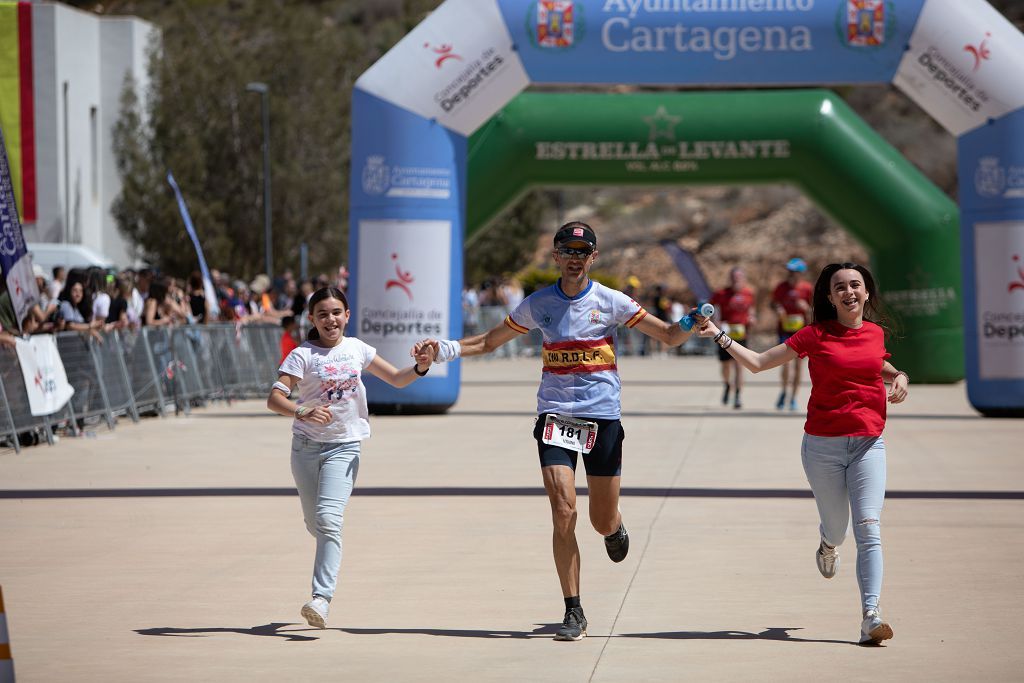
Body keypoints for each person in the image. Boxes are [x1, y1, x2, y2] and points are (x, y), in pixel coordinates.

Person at [414, 221, 702, 642]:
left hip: (602, 417)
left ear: (593, 258)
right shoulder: (538, 304)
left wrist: (692, 322)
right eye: (566, 251)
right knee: (564, 511)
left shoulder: (612, 301)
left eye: (582, 252)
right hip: (556, 417)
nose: (574, 258)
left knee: (600, 520)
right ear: (555, 256)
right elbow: (490, 342)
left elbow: (669, 337)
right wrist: (443, 350)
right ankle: (574, 610)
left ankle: (614, 526)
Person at [697, 262, 909, 645]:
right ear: (829, 297)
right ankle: (827, 543)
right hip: (822, 447)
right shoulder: (814, 335)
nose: (849, 292)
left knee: (869, 527)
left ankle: (871, 615)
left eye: (855, 285)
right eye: (840, 287)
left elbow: (876, 363)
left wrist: (899, 376)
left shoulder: (875, 333)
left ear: (866, 293)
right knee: (838, 529)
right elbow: (760, 364)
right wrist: (720, 336)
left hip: (868, 443)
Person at [266, 286, 436, 630]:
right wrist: (302, 410)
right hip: (305, 450)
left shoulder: (358, 349)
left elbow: (397, 379)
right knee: (317, 524)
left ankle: (321, 599)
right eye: (323, 314)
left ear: (347, 316)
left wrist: (420, 367)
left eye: (336, 312)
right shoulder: (303, 355)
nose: (330, 319)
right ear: (312, 319)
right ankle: (323, 545)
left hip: (344, 447)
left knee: (329, 520)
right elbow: (274, 399)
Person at [710, 267, 756, 409]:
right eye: (733, 277)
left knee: (739, 365)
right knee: (725, 365)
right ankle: (727, 384)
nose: (736, 280)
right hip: (724, 333)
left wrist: (752, 319)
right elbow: (713, 310)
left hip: (741, 334)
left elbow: (751, 310)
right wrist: (717, 322)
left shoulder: (748, 293)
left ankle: (737, 395)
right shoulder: (721, 293)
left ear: (743, 278)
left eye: (739, 277)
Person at [772, 257, 814, 410]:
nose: (790, 274)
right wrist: (778, 309)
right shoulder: (781, 287)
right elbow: (773, 303)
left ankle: (793, 398)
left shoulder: (807, 288)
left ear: (800, 273)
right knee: (785, 363)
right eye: (789, 271)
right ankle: (784, 390)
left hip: (802, 333)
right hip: (784, 330)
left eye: (793, 272)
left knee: (798, 366)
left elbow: (815, 312)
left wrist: (806, 309)